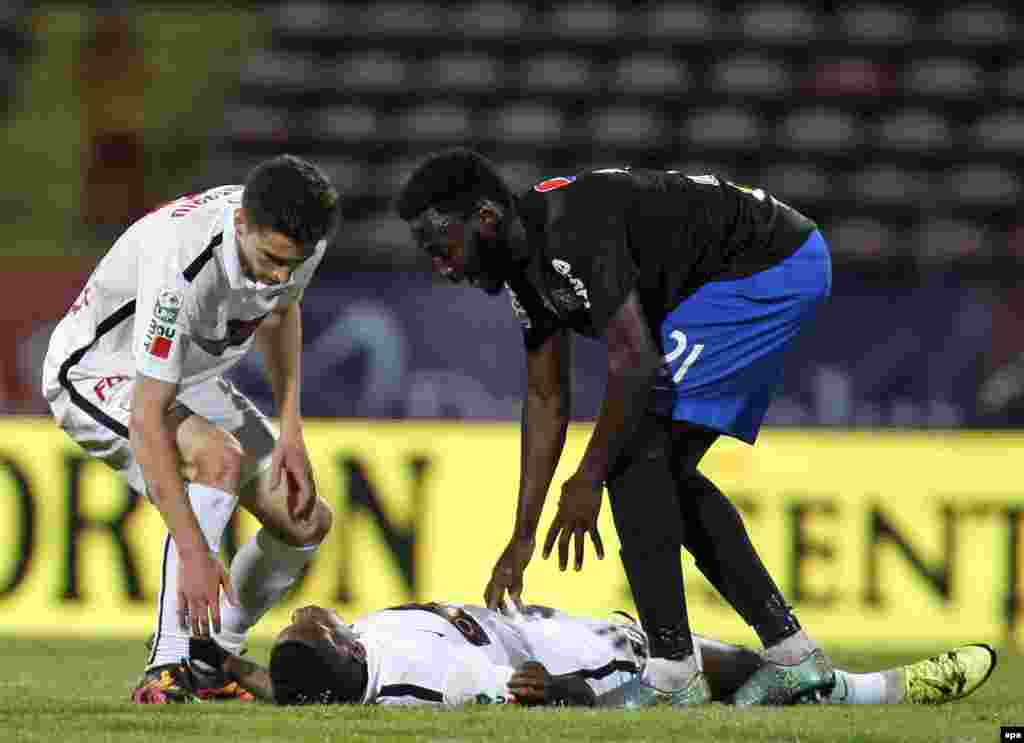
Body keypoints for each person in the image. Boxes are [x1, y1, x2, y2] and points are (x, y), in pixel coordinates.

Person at [395, 149, 836, 706]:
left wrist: (587, 478)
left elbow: (635, 364)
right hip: (734, 276)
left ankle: (675, 670)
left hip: (769, 266)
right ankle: (789, 653)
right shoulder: (523, 266)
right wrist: (523, 535)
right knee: (654, 466)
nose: (444, 266)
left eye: (444, 248)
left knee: (633, 461)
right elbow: (546, 396)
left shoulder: (572, 231)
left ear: (485, 218)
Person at [42, 154, 340, 704]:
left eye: (289, 264)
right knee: (217, 459)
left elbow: (280, 311)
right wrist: (196, 550)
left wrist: (291, 429)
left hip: (187, 376)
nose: (279, 274)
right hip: (102, 370)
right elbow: (147, 417)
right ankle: (167, 665)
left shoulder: (301, 241)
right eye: (271, 260)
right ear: (242, 225)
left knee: (304, 522)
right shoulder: (180, 260)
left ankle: (212, 654)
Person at [182, 602, 996, 708]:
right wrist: (576, 682)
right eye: (309, 625)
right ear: (344, 648)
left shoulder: (332, 668)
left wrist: (227, 670)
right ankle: (874, 691)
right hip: (535, 644)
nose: (304, 613)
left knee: (681, 659)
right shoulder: (428, 680)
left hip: (509, 618)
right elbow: (528, 687)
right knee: (682, 658)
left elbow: (291, 689)